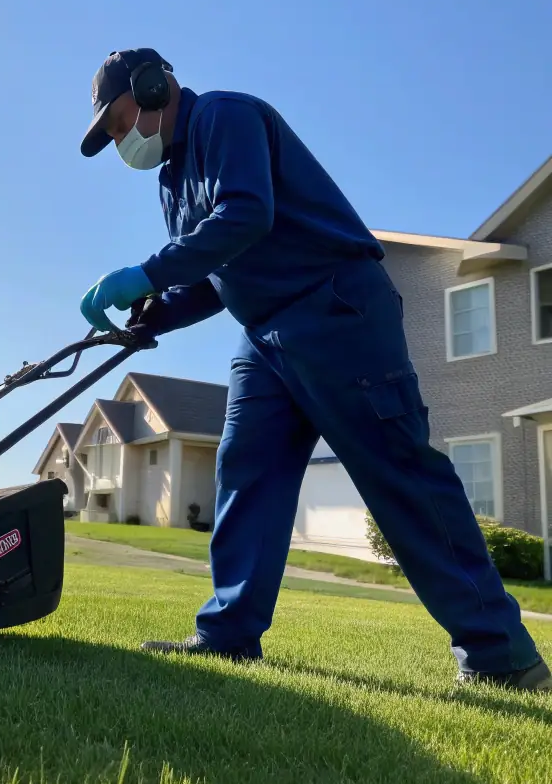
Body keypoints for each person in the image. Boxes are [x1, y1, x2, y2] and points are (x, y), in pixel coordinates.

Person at [78, 48, 550, 692]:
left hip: (334, 306)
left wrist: (145, 272)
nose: (119, 141)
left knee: (399, 473)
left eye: (117, 122)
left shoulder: (226, 118)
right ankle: (229, 635)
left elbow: (246, 215)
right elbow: (213, 276)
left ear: (154, 85)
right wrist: (151, 316)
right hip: (262, 334)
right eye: (110, 135)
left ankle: (502, 654)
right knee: (247, 472)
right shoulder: (171, 179)